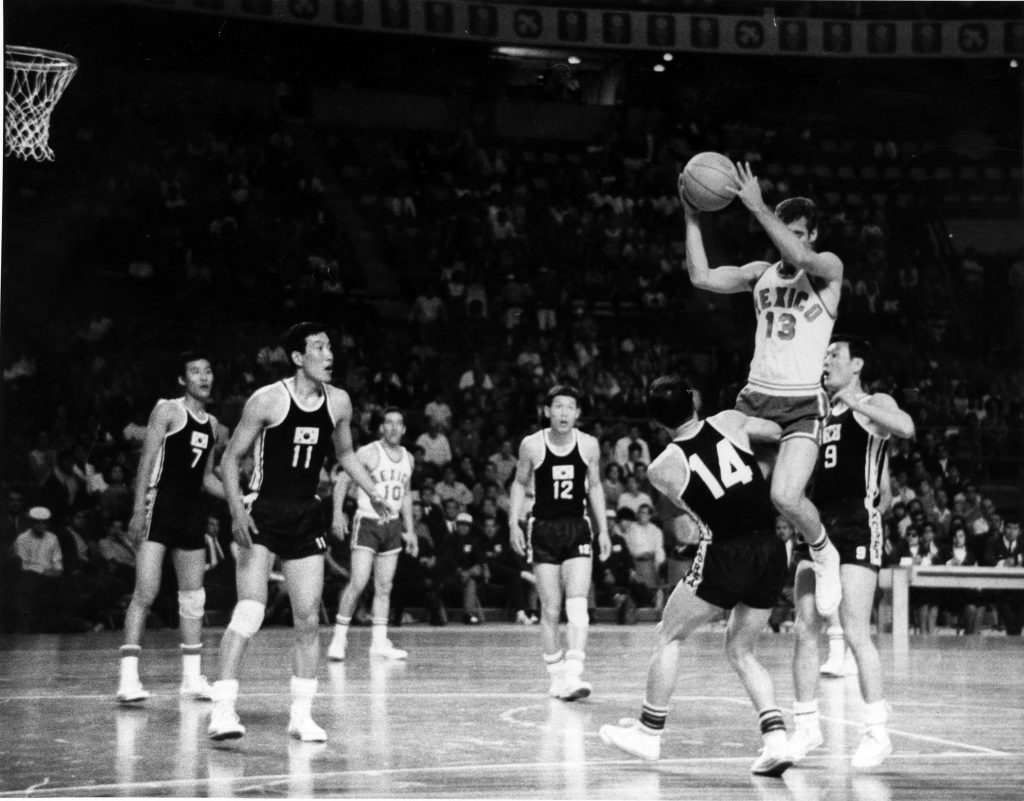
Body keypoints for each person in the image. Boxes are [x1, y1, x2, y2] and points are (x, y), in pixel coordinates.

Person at [599, 375, 792, 776]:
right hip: (772, 548)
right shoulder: (730, 421)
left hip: (726, 550)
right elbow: (776, 431)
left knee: (669, 634)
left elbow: (694, 511)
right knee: (741, 650)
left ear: (656, 420)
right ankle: (777, 740)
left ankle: (649, 734)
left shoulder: (660, 469)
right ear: (694, 402)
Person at [208, 323, 390, 743]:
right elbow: (230, 460)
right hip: (264, 512)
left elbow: (344, 453)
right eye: (319, 347)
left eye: (330, 346)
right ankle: (222, 710)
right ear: (296, 357)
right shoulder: (267, 400)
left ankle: (301, 716)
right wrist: (237, 511)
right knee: (250, 611)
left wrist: (372, 490)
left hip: (307, 513)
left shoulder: (339, 401)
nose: (329, 354)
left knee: (308, 620)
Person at [680, 165, 843, 618]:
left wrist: (756, 206)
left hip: (802, 403)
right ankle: (742, 576)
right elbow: (702, 276)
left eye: (797, 233)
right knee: (733, 499)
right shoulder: (760, 273)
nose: (788, 241)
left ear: (813, 235)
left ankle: (824, 553)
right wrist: (692, 217)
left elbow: (805, 260)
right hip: (755, 400)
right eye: (784, 231)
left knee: (785, 497)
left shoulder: (827, 269)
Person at [788, 336, 915, 770]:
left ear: (856, 363)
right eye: (823, 355)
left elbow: (907, 428)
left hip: (857, 522)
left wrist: (855, 401)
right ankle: (805, 726)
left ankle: (876, 731)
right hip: (816, 524)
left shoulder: (873, 401)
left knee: (855, 629)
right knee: (804, 625)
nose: (826, 361)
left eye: (834, 356)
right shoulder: (818, 412)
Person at [116, 352, 225, 704]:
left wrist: (241, 501)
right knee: (145, 592)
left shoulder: (213, 426)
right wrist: (137, 511)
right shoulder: (167, 411)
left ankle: (192, 680)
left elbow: (207, 477)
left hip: (192, 511)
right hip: (159, 506)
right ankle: (128, 680)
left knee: (194, 598)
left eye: (208, 370)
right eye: (195, 371)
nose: (204, 376)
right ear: (183, 379)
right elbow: (146, 462)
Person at [509, 385, 611, 701]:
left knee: (577, 602)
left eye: (570, 407)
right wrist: (513, 521)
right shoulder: (532, 445)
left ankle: (574, 674)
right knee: (550, 609)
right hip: (543, 528)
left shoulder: (589, 445)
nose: (564, 412)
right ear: (547, 411)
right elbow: (519, 482)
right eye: (558, 406)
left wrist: (603, 529)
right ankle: (557, 678)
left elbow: (594, 487)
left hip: (577, 527)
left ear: (577, 413)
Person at [328, 407, 418, 662]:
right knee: (358, 581)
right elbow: (344, 480)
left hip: (392, 525)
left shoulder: (409, 458)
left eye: (398, 423)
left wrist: (410, 530)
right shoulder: (368, 452)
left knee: (384, 586)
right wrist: (337, 513)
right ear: (381, 428)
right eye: (388, 423)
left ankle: (379, 643)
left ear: (403, 429)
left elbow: (407, 494)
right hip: (367, 521)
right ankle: (338, 638)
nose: (392, 427)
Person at [13, 506, 63, 632]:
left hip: (51, 575)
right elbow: (23, 564)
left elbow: (57, 561)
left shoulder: (52, 538)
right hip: (31, 576)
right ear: (32, 522)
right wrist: (42, 571)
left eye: (43, 522)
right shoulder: (23, 538)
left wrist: (57, 571)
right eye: (37, 522)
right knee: (32, 581)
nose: (40, 525)